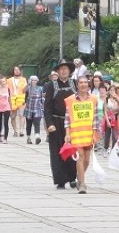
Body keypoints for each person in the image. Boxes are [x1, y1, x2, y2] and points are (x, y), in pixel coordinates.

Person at [43, 59, 77, 188]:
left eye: (66, 69)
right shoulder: (52, 85)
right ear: (57, 71)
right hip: (56, 122)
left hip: (72, 123)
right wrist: (49, 123)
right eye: (61, 69)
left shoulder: (75, 84)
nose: (63, 71)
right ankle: (60, 180)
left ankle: (73, 177)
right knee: (57, 151)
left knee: (72, 150)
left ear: (69, 71)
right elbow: (47, 107)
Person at [64, 76, 100, 193]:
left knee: (87, 160)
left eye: (85, 82)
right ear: (77, 85)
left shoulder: (94, 99)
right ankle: (83, 184)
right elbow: (67, 118)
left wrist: (95, 133)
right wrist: (67, 134)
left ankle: (79, 178)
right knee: (80, 157)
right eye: (81, 82)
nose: (83, 84)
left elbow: (95, 118)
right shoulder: (70, 99)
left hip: (89, 133)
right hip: (76, 133)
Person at [8, 66, 27, 138]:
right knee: (13, 116)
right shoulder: (9, 80)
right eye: (15, 70)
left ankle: (21, 131)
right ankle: (15, 131)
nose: (16, 71)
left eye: (18, 70)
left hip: (21, 98)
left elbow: (25, 90)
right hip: (12, 99)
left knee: (22, 115)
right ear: (13, 71)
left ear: (20, 71)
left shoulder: (24, 79)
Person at [25, 75, 44, 144]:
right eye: (32, 80)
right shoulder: (28, 88)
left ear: (37, 81)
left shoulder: (40, 88)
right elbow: (23, 91)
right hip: (29, 109)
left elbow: (42, 98)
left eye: (35, 80)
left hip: (37, 109)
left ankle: (37, 136)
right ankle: (28, 137)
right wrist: (28, 84)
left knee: (37, 123)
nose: (34, 81)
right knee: (29, 124)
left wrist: (43, 107)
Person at [0, 75, 12, 143]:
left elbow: (10, 100)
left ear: (6, 81)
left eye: (4, 81)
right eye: (1, 81)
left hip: (6, 107)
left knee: (6, 123)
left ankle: (5, 138)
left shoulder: (8, 89)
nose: (3, 82)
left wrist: (11, 109)